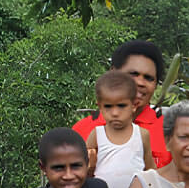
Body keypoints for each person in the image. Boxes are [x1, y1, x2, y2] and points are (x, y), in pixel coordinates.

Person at [72, 40, 171, 168]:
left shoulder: (170, 131)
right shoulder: (82, 129)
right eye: (133, 74)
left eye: (148, 78)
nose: (140, 83)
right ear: (113, 73)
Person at [85, 69, 155, 188]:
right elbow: (83, 169)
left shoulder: (141, 135)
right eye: (108, 107)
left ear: (134, 105)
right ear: (100, 107)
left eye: (121, 106)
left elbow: (151, 171)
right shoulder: (97, 135)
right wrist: (90, 166)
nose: (115, 113)